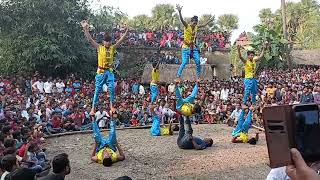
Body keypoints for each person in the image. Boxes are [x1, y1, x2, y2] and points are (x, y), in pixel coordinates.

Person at [81, 20, 129, 115]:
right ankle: (93, 109)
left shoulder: (113, 48)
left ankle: (111, 106)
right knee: (98, 90)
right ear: (103, 42)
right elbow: (90, 39)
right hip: (101, 72)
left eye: (109, 41)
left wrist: (126, 32)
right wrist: (85, 29)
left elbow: (120, 40)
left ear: (111, 42)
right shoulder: (99, 47)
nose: (107, 43)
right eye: (106, 41)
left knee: (111, 89)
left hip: (109, 71)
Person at [175, 4, 214, 82]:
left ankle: (198, 77)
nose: (195, 25)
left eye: (196, 23)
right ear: (191, 21)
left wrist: (209, 21)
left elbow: (204, 25)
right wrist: (179, 12)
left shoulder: (196, 27)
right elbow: (182, 20)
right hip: (185, 48)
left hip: (193, 48)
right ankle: (178, 76)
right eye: (194, 23)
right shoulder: (187, 26)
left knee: (198, 62)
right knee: (185, 62)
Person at [175, 81, 213, 150]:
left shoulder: (204, 144)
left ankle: (176, 87)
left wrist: (192, 139)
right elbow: (201, 102)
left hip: (183, 143)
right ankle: (196, 85)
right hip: (181, 141)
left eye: (208, 138)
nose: (206, 137)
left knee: (189, 130)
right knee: (182, 127)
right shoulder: (196, 108)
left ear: (208, 142)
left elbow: (198, 147)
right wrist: (204, 93)